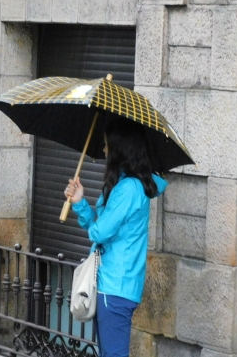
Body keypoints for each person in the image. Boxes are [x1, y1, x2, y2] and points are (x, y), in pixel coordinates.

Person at [64, 117, 167, 357]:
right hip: (111, 285)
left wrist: (86, 211)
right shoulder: (123, 185)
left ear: (120, 149)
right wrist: (80, 202)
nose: (103, 150)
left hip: (116, 287)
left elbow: (100, 232)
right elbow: (100, 231)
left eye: (106, 145)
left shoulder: (128, 189)